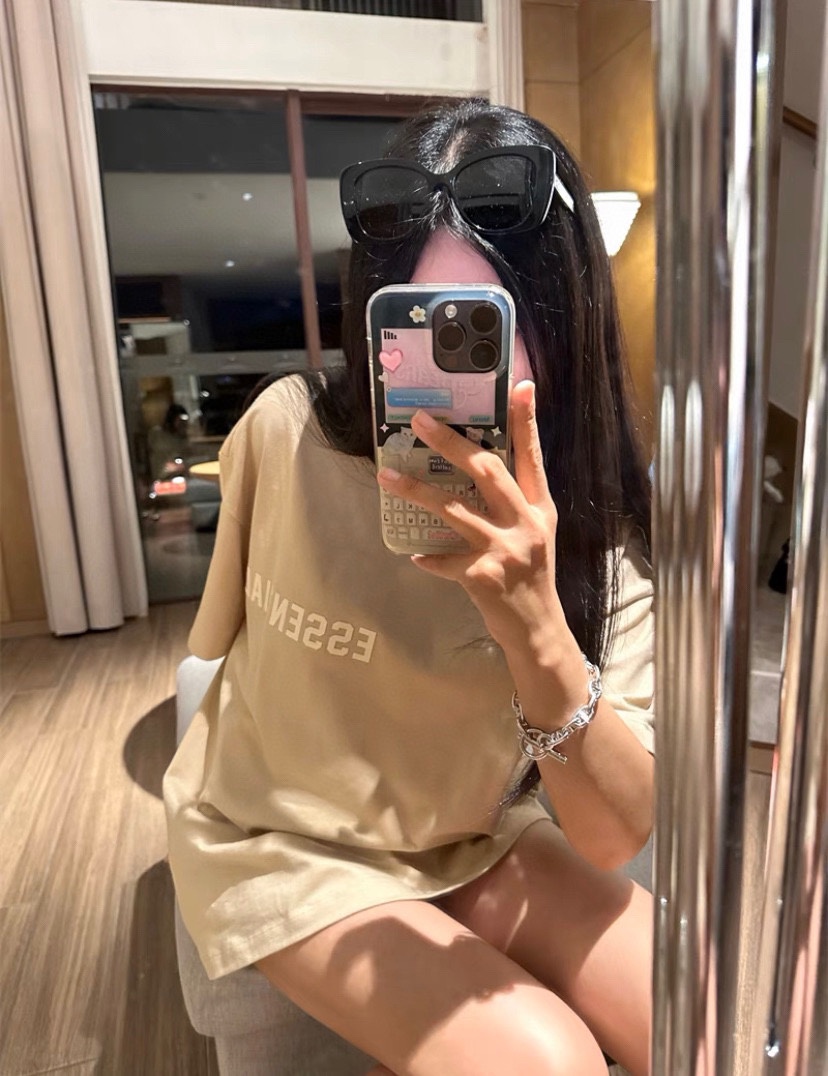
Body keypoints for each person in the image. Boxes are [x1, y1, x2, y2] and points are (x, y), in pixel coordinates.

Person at [163, 98, 655, 1076]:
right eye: (414, 326)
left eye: (483, 329)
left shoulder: (598, 531)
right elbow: (212, 647)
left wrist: (536, 627)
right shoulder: (284, 434)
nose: (440, 384)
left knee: (703, 1010)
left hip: (471, 832)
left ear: (567, 320)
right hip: (281, 837)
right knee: (547, 1062)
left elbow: (612, 834)